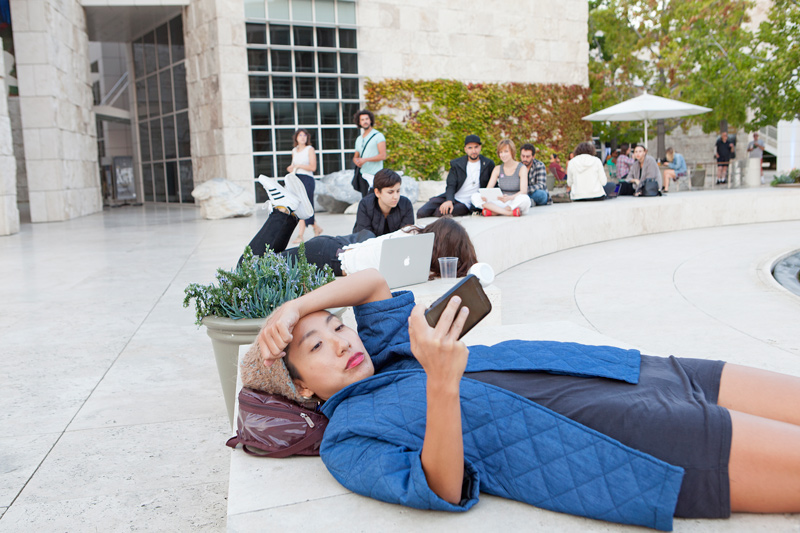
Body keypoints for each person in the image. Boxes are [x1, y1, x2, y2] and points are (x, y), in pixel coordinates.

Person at [248, 269, 800, 531]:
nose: (343, 340)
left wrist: (295, 308)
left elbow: (370, 283)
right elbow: (438, 485)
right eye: (317, 345)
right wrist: (441, 383)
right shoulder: (346, 439)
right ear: (301, 387)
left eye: (337, 326)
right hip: (622, 436)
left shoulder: (389, 351)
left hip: (626, 371)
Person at [245, 175, 477, 278]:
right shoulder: (412, 253)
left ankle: (293, 213)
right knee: (248, 268)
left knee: (263, 262)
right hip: (326, 256)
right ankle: (283, 211)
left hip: (333, 250)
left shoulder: (414, 237)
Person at [416, 134, 495, 218]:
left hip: (466, 203)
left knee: (440, 212)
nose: (474, 151)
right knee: (421, 212)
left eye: (476, 147)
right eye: (470, 148)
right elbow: (451, 184)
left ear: (480, 147)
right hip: (453, 196)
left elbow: (493, 183)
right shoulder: (457, 164)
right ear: (465, 149)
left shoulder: (488, 164)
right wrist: (449, 200)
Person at [471, 139, 531, 217]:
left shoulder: (522, 168)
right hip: (500, 201)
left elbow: (523, 191)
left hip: (514, 201)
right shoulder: (497, 169)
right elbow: (488, 189)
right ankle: (508, 213)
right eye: (501, 152)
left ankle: (495, 212)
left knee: (525, 199)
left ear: (512, 152)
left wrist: (510, 198)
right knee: (475, 196)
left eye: (506, 151)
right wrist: (485, 196)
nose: (503, 155)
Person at [352, 169, 414, 237]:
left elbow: (406, 234)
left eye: (398, 191)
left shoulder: (405, 204)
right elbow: (364, 236)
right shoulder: (365, 205)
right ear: (377, 192)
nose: (396, 197)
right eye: (390, 192)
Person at [286, 128, 322, 243]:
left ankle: (300, 235)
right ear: (296, 137)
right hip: (296, 179)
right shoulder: (294, 150)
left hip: (307, 179)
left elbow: (313, 167)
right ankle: (316, 227)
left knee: (305, 206)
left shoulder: (309, 149)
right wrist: (291, 168)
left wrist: (299, 165)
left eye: (304, 135)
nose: (302, 137)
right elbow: (293, 166)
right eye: (300, 135)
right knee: (299, 205)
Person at [352, 110, 387, 191]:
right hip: (362, 175)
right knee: (365, 200)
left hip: (375, 175)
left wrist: (365, 160)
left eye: (367, 119)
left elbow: (383, 156)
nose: (365, 121)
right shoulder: (359, 139)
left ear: (370, 120)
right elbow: (355, 157)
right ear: (359, 122)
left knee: (375, 200)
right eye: (362, 120)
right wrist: (357, 161)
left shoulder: (378, 136)